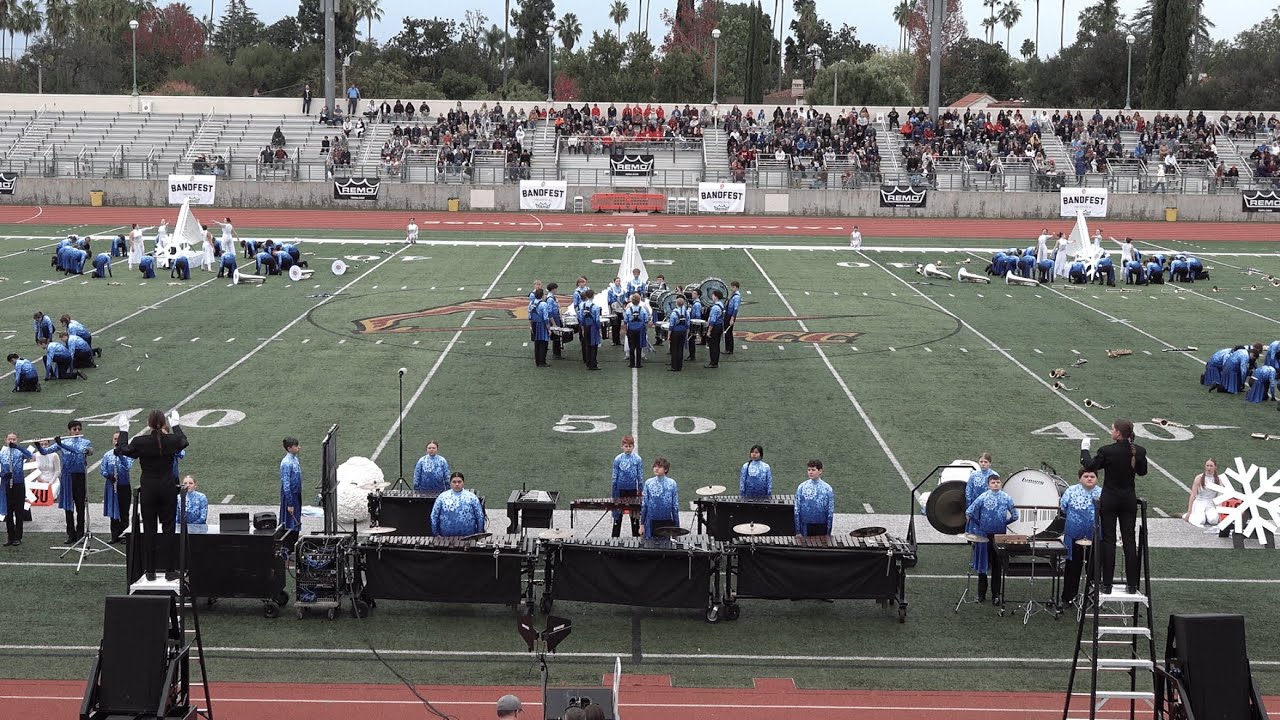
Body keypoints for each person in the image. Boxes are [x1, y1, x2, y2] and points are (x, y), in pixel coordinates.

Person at [116, 410, 188, 580]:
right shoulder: (170, 440)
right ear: (164, 424)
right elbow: (184, 441)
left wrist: (124, 429)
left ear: (148, 424)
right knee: (168, 528)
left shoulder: (141, 441)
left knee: (150, 529)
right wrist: (176, 425)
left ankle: (150, 571)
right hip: (167, 487)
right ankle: (170, 570)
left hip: (148, 488)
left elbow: (121, 449)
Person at [1080, 419, 1148, 594]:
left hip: (1110, 499)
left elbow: (1090, 466)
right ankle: (1132, 585)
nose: (1111, 432)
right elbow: (1142, 472)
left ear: (1118, 433)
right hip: (1128, 500)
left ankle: (1107, 584)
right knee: (1129, 540)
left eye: (1112, 430)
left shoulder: (1107, 451)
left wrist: (1084, 449)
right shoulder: (1139, 450)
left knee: (1109, 540)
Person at [965, 474, 1018, 604]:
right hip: (983, 535)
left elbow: (1015, 515)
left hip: (999, 536)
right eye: (993, 482)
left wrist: (1003, 523)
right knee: (982, 565)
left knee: (997, 566)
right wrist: (980, 524)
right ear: (988, 485)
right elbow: (970, 511)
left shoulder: (1007, 498)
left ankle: (996, 594)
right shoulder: (983, 497)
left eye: (998, 482)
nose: (995, 484)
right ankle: (981, 594)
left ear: (1001, 484)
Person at [1058, 468, 1101, 608]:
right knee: (1072, 568)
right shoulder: (1070, 491)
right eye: (1086, 476)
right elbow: (1063, 508)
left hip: (1095, 537)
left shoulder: (1102, 493)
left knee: (1094, 569)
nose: (1089, 478)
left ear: (1097, 479)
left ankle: (1093, 599)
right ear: (1079, 478)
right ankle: (1068, 598)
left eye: (1092, 476)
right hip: (1073, 536)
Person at [99, 431, 133, 543]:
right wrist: (108, 475)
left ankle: (124, 535)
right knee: (113, 511)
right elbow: (102, 469)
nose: (116, 441)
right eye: (115, 439)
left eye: (119, 439)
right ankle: (114, 535)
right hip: (111, 486)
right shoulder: (107, 455)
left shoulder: (127, 454)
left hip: (124, 486)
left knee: (124, 511)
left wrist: (120, 456)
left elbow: (128, 466)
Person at [2, 433, 34, 546]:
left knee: (19, 512)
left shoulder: (19, 451)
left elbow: (30, 455)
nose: (11, 441)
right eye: (9, 439)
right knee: (9, 513)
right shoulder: (3, 452)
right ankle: (10, 537)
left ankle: (18, 537)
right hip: (7, 485)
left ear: (17, 440)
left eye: (14, 439)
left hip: (19, 484)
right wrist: (3, 475)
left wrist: (17, 447)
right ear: (6, 440)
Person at [430, 472, 485, 537]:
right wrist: (436, 534)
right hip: (445, 537)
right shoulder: (442, 497)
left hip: (468, 537)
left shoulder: (472, 497)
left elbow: (480, 516)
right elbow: (434, 516)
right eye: (454, 482)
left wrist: (479, 534)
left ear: (463, 483)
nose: (457, 484)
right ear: (450, 483)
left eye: (459, 482)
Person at [610, 435, 643, 537]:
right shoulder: (617, 459)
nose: (628, 448)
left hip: (633, 490)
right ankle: (614, 539)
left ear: (633, 446)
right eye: (626, 446)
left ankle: (636, 539)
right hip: (620, 490)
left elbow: (640, 477)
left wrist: (640, 492)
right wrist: (614, 495)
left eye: (630, 446)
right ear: (622, 446)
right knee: (617, 517)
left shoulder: (638, 459)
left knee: (634, 518)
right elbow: (614, 478)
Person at [640, 457, 679, 538]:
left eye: (659, 467)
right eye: (654, 466)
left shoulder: (672, 483)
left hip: (667, 522)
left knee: (667, 547)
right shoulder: (648, 483)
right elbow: (645, 505)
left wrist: (677, 526)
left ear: (665, 469)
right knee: (650, 546)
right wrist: (642, 525)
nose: (656, 469)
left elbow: (675, 507)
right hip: (651, 522)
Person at [795, 459, 834, 537]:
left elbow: (830, 511)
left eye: (813, 470)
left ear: (820, 471)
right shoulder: (802, 487)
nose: (810, 472)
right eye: (809, 470)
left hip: (821, 525)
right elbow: (797, 509)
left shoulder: (827, 489)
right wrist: (798, 531)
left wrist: (828, 531)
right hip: (805, 525)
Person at [1182, 458, 1222, 531]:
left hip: (1211, 504)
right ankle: (1186, 515)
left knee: (1213, 520)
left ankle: (1206, 516)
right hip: (1200, 502)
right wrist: (1189, 511)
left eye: (1211, 466)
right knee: (1201, 521)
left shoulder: (1219, 479)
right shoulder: (1199, 478)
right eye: (1207, 466)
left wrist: (1220, 512)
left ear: (1215, 467)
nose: (1209, 468)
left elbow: (1219, 496)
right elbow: (1193, 495)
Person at [279, 437, 303, 547]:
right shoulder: (286, 463)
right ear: (289, 448)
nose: (299, 447)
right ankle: (287, 548)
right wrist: (290, 503)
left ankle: (292, 546)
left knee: (296, 521)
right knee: (289, 523)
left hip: (296, 493)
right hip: (290, 495)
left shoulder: (295, 459)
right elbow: (286, 485)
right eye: (296, 446)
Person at [622, 293, 649, 369]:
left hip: (631, 329)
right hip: (640, 330)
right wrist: (645, 329)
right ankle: (638, 363)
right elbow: (646, 320)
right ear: (639, 301)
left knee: (632, 346)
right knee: (639, 346)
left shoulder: (628, 310)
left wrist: (626, 330)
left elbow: (625, 321)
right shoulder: (642, 309)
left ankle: (631, 363)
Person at [666, 293, 689, 372]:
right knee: (680, 349)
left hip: (675, 332)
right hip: (683, 331)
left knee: (674, 349)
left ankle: (674, 366)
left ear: (676, 303)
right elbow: (688, 323)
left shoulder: (674, 313)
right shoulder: (686, 312)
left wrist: (669, 335)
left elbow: (671, 325)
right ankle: (680, 366)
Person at [581, 289, 602, 370]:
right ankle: (593, 364)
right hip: (593, 327)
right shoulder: (596, 307)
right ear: (593, 296)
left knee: (587, 345)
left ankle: (588, 362)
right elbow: (597, 320)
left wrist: (582, 328)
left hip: (586, 326)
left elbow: (581, 317)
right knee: (594, 346)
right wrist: (599, 329)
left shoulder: (583, 305)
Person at [530, 288, 550, 367]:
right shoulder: (543, 304)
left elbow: (529, 316)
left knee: (537, 343)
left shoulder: (532, 302)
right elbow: (546, 318)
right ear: (542, 295)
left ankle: (537, 361)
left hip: (534, 323)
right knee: (543, 343)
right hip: (541, 324)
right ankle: (542, 361)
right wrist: (548, 328)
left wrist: (531, 326)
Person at [705, 290, 725, 369]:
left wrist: (709, 331)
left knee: (713, 345)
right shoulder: (721, 304)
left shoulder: (715, 307)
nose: (712, 297)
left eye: (713, 295)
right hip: (719, 326)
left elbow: (712, 321)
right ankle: (715, 361)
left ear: (716, 296)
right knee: (716, 345)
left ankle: (713, 362)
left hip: (715, 327)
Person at [723, 281, 741, 354]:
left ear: (736, 287)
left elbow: (736, 308)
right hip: (728, 314)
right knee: (727, 332)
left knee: (728, 332)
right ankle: (728, 348)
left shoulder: (736, 296)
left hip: (730, 316)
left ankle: (729, 349)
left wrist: (732, 318)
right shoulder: (733, 295)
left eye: (732, 287)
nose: (731, 288)